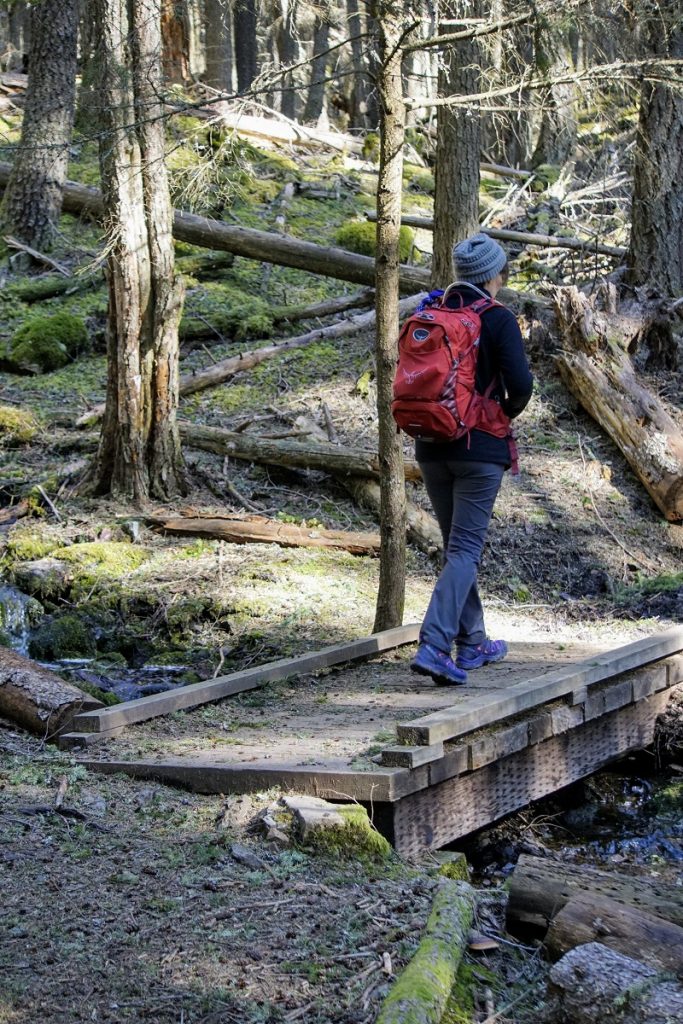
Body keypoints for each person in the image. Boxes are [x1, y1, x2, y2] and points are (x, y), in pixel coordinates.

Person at [410, 233, 533, 685]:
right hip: (478, 450)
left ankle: (474, 641)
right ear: (496, 274)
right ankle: (435, 646)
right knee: (464, 550)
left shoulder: (430, 310)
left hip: (430, 445)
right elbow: (521, 384)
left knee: (456, 547)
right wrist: (501, 411)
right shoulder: (498, 319)